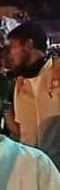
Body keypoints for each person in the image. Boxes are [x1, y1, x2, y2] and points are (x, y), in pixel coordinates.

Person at [6, 22, 60, 168]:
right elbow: (20, 129)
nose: (9, 53)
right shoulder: (19, 82)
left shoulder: (57, 72)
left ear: (29, 45)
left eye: (13, 47)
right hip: (31, 168)